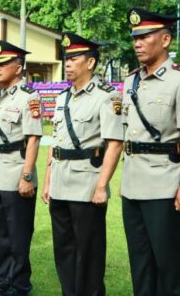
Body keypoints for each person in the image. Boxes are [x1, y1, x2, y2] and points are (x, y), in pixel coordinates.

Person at [41, 33, 124, 296]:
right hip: (61, 182)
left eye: (74, 58)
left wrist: (102, 186)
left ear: (90, 63)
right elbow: (56, 142)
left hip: (87, 183)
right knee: (63, 248)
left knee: (89, 251)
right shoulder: (63, 97)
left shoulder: (106, 97)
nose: (68, 63)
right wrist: (47, 180)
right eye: (66, 58)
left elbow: (115, 143)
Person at [120, 8, 180, 296]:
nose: (137, 43)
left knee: (168, 262)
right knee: (140, 262)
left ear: (165, 40)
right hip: (132, 184)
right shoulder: (130, 82)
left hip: (165, 184)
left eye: (145, 36)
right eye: (135, 38)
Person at [0, 40, 42, 296]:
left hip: (16, 173)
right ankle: (2, 280)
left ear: (18, 67)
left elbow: (33, 138)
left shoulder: (29, 97)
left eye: (3, 64)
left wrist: (27, 175)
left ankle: (19, 284)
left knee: (18, 233)